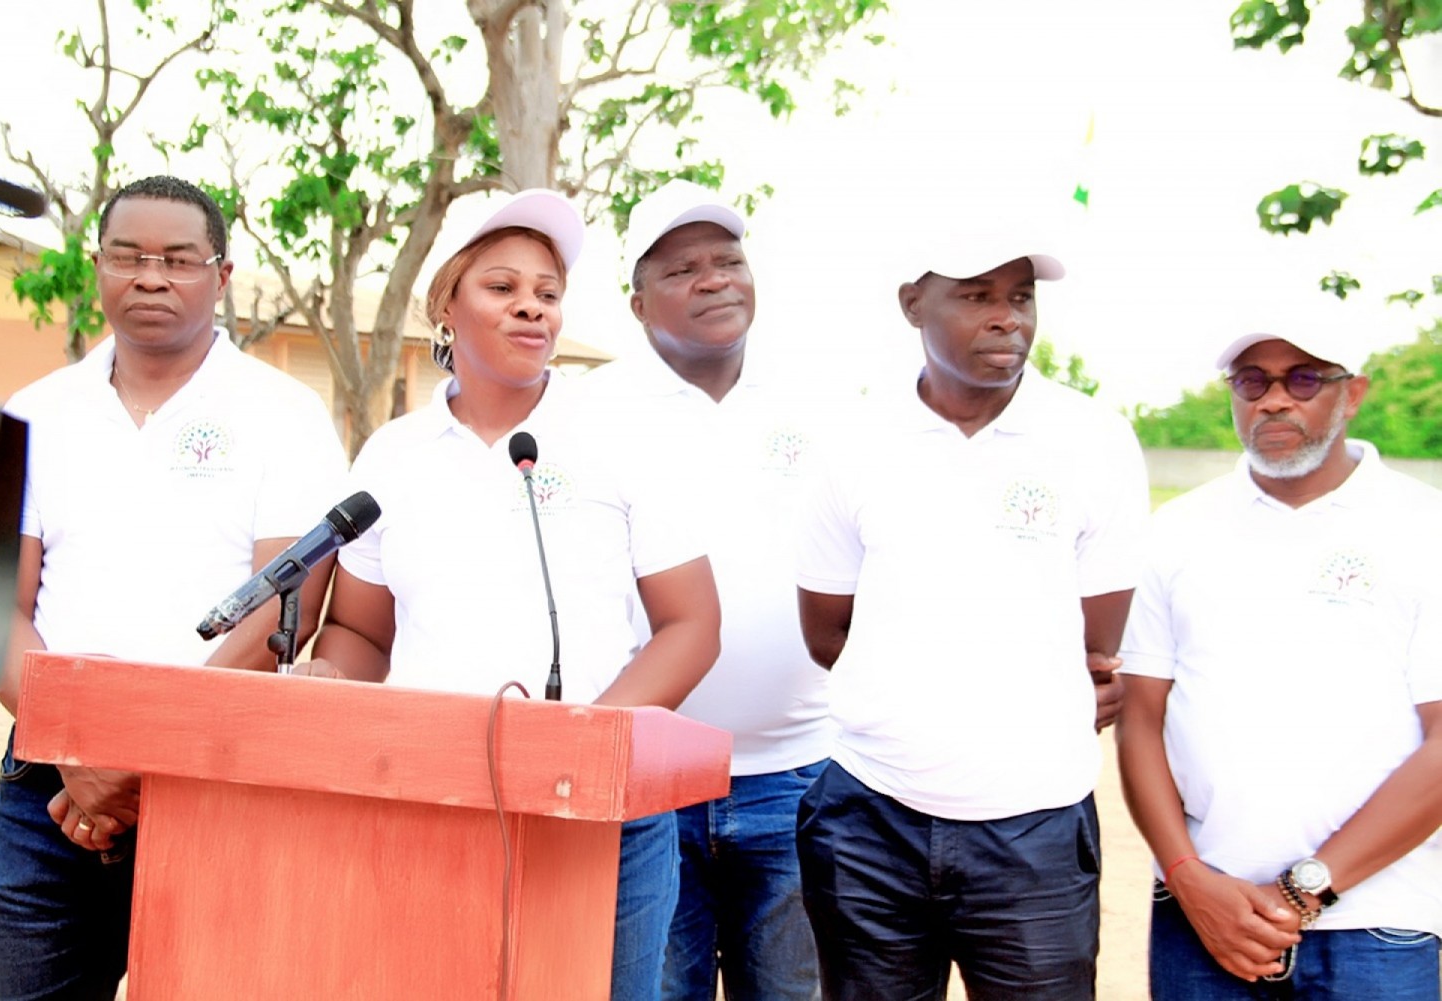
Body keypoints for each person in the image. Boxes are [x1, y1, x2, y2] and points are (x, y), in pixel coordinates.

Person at [300, 188, 722, 1001]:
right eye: (502, 287)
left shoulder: (621, 435)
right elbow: (359, 630)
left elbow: (691, 625)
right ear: (445, 306)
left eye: (548, 291)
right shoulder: (394, 455)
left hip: (602, 818)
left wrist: (589, 744)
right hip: (431, 800)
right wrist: (332, 677)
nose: (531, 305)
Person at [0, 174, 348, 1000]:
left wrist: (152, 754)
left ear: (220, 274)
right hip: (51, 790)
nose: (151, 277)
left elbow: (290, 603)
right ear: (97, 266)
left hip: (220, 778)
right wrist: (81, 751)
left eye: (179, 259)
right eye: (128, 256)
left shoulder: (283, 412)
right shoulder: (32, 411)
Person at [793, 223, 1149, 999]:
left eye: (1020, 296)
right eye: (977, 295)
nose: (1007, 317)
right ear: (912, 303)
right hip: (870, 819)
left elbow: (1098, 642)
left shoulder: (1093, 439)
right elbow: (828, 631)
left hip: (1036, 830)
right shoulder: (853, 442)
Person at [1116, 319, 1442, 999]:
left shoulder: (1424, 529)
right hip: (1203, 920)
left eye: (1302, 379)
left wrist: (1303, 890)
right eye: (1251, 380)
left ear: (1352, 394)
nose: (1273, 400)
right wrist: (1187, 876)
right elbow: (1140, 719)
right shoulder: (1176, 532)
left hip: (1378, 927)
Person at [584, 179, 835, 999]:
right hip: (651, 787)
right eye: (684, 268)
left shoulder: (820, 402)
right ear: (637, 303)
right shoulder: (591, 413)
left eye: (728, 260)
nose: (715, 279)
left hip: (800, 776)